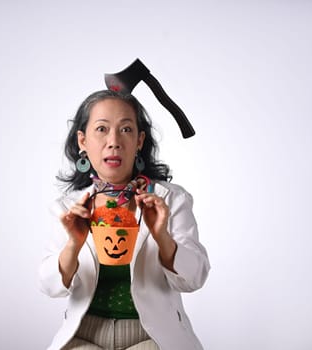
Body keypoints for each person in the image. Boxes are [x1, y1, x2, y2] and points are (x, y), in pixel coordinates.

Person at [39, 89, 210, 350]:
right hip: (84, 334)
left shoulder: (171, 200)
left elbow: (194, 279)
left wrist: (162, 236)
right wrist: (73, 245)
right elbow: (50, 286)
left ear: (140, 140)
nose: (114, 141)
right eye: (101, 129)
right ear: (82, 141)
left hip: (151, 335)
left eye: (126, 129)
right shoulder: (68, 208)